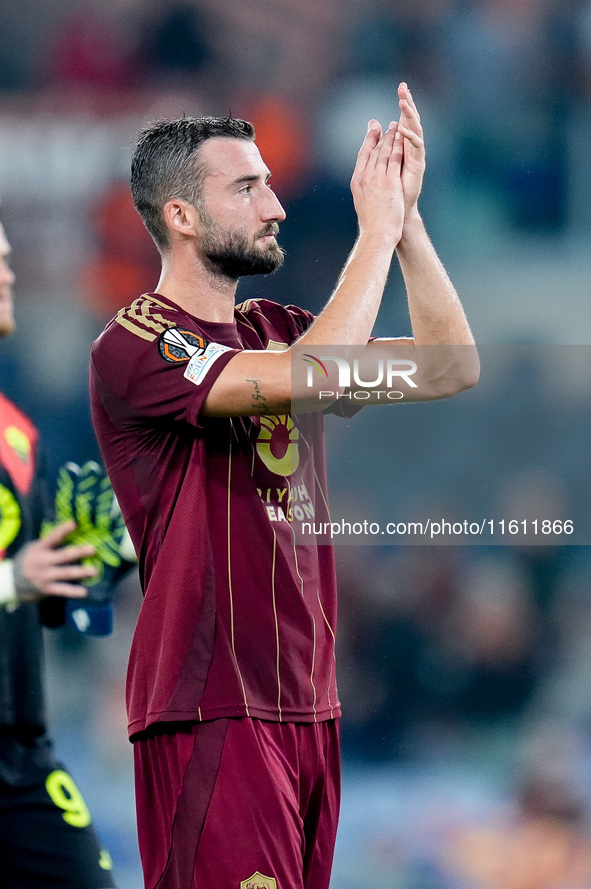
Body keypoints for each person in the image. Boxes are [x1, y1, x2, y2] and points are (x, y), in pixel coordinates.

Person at [89, 83, 478, 889]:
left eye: (268, 181)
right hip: (211, 704)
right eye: (247, 187)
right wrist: (370, 237)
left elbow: (448, 366)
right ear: (181, 216)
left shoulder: (280, 329)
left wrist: (405, 225)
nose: (276, 204)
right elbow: (310, 380)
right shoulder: (137, 343)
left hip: (308, 700)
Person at [0, 220, 117, 889]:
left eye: (10, 259)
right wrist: (15, 575)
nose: (9, 274)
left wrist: (100, 563)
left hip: (20, 751)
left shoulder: (17, 431)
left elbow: (53, 602)